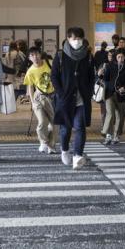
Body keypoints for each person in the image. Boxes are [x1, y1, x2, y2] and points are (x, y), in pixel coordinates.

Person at [51, 27, 96, 170]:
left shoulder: (88, 55)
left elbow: (91, 76)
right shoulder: (60, 55)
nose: (77, 41)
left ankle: (77, 155)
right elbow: (54, 76)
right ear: (68, 39)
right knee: (65, 129)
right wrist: (61, 92)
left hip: (82, 97)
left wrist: (88, 92)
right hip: (66, 98)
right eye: (74, 38)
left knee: (80, 127)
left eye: (79, 38)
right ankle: (64, 150)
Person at [24, 46, 57, 154]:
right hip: (39, 97)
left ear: (40, 54)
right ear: (29, 58)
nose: (35, 57)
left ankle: (51, 146)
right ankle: (44, 141)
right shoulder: (30, 71)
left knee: (53, 123)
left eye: (36, 54)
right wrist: (32, 102)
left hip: (52, 97)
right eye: (32, 55)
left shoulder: (50, 63)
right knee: (42, 122)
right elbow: (30, 86)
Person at [102, 49, 125, 145]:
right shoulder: (110, 65)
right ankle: (107, 134)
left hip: (122, 95)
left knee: (120, 116)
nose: (120, 59)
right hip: (109, 93)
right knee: (110, 113)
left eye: (122, 57)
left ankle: (116, 135)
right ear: (115, 57)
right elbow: (105, 79)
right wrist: (101, 74)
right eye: (119, 57)